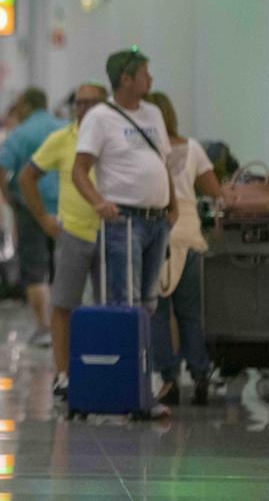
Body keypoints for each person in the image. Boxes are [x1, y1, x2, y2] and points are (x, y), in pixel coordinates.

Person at [73, 48, 177, 417]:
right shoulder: (100, 118)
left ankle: (143, 380)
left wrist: (172, 204)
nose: (151, 80)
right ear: (126, 79)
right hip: (124, 221)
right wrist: (99, 202)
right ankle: (132, 385)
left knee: (149, 303)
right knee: (126, 301)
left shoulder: (153, 114)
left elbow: (163, 163)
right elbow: (79, 171)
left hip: (155, 219)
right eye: (145, 74)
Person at [19, 83, 109, 399]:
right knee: (64, 304)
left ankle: (105, 369)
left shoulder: (114, 138)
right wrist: (43, 217)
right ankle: (62, 373)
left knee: (109, 305)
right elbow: (26, 176)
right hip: (74, 232)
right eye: (79, 103)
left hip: (112, 233)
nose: (84, 109)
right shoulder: (62, 140)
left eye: (91, 103)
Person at [145, 91, 223, 406]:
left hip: (158, 234)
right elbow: (214, 191)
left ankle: (168, 379)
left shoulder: (146, 153)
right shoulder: (192, 149)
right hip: (189, 234)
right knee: (190, 312)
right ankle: (201, 374)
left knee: (160, 313)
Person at [0, 88, 65, 347]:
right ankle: (64, 325)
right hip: (64, 208)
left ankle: (44, 327)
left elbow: (1, 165)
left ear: (25, 105)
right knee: (63, 270)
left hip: (30, 208)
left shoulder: (20, 133)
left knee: (35, 271)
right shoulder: (64, 127)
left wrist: (7, 197)